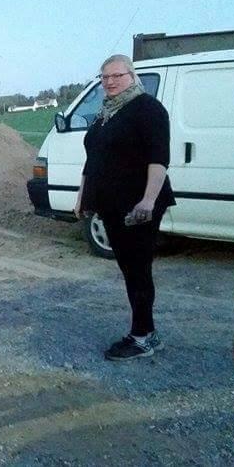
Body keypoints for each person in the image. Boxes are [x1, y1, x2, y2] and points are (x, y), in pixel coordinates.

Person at [75, 54, 176, 361]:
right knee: (131, 270)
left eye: (117, 75)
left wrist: (147, 200)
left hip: (137, 206)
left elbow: (159, 159)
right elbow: (93, 159)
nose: (110, 81)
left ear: (132, 76)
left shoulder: (148, 109)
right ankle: (147, 331)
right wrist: (82, 196)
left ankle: (142, 337)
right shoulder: (106, 113)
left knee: (137, 270)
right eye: (105, 77)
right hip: (111, 204)